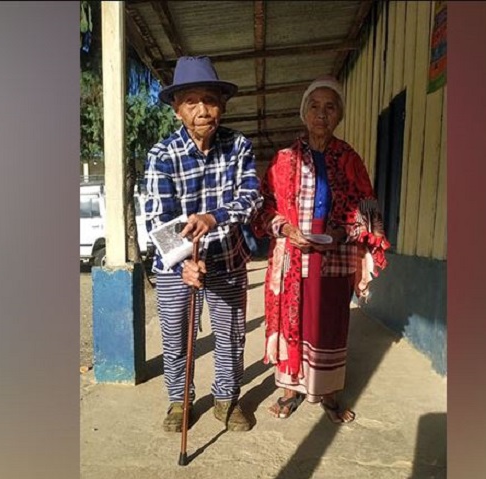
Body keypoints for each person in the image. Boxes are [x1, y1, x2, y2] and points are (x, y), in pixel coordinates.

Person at [252, 75, 390, 423]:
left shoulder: (350, 159)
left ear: (339, 114)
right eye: (314, 106)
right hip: (292, 252)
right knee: (291, 318)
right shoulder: (284, 159)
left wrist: (345, 230)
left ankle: (328, 393)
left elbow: (369, 207)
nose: (321, 114)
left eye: (330, 107)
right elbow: (264, 208)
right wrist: (284, 228)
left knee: (329, 323)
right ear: (304, 113)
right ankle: (290, 390)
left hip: (336, 252)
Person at [144, 56, 262, 433]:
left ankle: (227, 401)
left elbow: (252, 197)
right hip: (177, 266)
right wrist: (183, 265)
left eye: (210, 100)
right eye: (191, 101)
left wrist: (214, 217)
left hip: (227, 259)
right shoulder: (161, 156)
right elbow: (158, 220)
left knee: (230, 335)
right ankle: (179, 402)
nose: (202, 110)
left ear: (222, 106)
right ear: (177, 109)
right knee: (177, 338)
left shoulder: (238, 145)